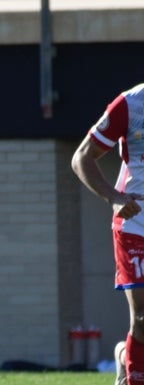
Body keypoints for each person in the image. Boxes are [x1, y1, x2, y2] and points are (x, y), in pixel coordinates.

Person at [71, 83, 144, 385]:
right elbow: (81, 158)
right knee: (143, 317)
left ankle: (123, 357)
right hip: (136, 223)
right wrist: (114, 197)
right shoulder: (130, 103)